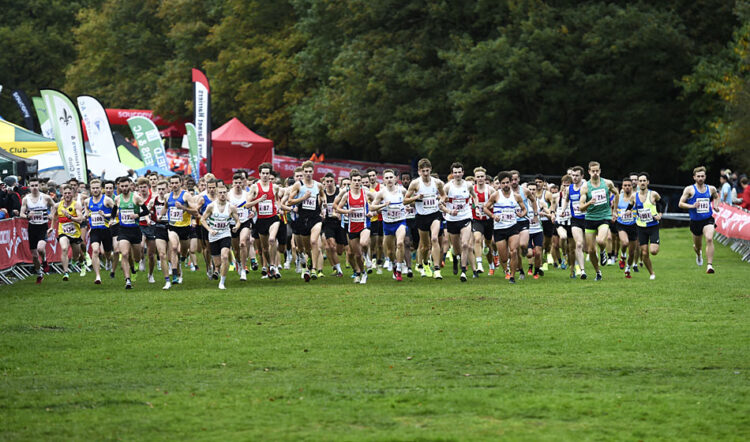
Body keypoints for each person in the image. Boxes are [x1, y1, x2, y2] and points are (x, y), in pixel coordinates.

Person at [404, 158, 446, 280]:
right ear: (419, 171)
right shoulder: (415, 184)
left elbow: (443, 195)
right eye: (423, 171)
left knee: (434, 238)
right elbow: (405, 200)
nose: (426, 173)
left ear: (431, 170)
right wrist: (416, 197)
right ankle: (423, 263)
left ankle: (437, 269)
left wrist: (441, 201)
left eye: (427, 171)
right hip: (421, 216)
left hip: (434, 214)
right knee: (424, 246)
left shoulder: (437, 182)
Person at [578, 161, 619, 281]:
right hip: (590, 218)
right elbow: (581, 207)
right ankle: (598, 272)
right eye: (593, 171)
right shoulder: (585, 187)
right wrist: (589, 203)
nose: (595, 173)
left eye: (597, 171)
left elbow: (616, 194)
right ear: (589, 172)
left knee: (601, 240)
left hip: (604, 216)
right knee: (590, 250)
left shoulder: (607, 183)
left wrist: (614, 211)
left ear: (600, 171)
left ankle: (603, 252)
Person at [483, 171, 526, 283]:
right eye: (503, 183)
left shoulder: (516, 196)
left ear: (511, 182)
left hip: (513, 227)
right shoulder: (496, 195)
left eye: (507, 182)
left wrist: (522, 214)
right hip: (499, 229)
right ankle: (506, 270)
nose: (506, 185)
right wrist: (493, 216)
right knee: (503, 258)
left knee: (514, 251)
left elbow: (524, 209)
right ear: (500, 184)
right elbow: (485, 208)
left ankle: (512, 276)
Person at [286, 161, 326, 281]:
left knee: (314, 241)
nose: (308, 174)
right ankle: (307, 262)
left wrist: (323, 205)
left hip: (315, 218)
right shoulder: (298, 185)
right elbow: (289, 201)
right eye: (306, 172)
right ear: (303, 172)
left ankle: (313, 269)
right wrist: (303, 198)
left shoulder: (318, 185)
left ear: (313, 172)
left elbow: (323, 196)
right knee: (304, 248)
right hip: (303, 219)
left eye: (310, 171)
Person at [246, 162, 285, 279]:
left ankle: (274, 266)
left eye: (267, 173)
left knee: (272, 240)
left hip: (273, 218)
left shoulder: (275, 187)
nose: (265, 175)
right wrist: (258, 200)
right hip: (261, 220)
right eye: (263, 173)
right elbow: (247, 204)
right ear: (259, 174)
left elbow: (281, 197)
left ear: (270, 174)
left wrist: (280, 206)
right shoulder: (254, 187)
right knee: (264, 249)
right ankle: (269, 265)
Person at [679, 166, 720, 273]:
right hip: (695, 222)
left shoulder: (711, 189)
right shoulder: (689, 189)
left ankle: (709, 266)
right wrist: (692, 206)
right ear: (694, 177)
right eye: (698, 176)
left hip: (707, 219)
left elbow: (716, 196)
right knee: (698, 246)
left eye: (702, 176)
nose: (700, 178)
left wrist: (716, 205)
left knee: (709, 239)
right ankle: (698, 254)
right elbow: (680, 204)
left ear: (705, 177)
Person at [334, 169, 373, 284]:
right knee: (356, 255)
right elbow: (338, 208)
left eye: (358, 181)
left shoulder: (365, 193)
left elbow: (376, 200)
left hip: (364, 224)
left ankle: (367, 257)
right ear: (351, 181)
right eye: (354, 180)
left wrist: (372, 212)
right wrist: (346, 212)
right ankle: (363, 273)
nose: (356, 182)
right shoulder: (346, 194)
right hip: (351, 227)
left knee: (364, 243)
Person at [441, 162, 477, 282]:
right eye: (455, 172)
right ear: (452, 174)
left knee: (465, 244)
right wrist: (449, 211)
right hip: (452, 220)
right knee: (456, 249)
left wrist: (475, 205)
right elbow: (440, 204)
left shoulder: (468, 185)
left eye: (459, 172)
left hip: (466, 216)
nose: (457, 174)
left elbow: (474, 196)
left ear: (463, 172)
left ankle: (463, 271)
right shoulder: (447, 187)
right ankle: (456, 258)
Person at [370, 169, 408, 281]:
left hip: (400, 221)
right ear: (383, 180)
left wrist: (409, 206)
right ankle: (394, 265)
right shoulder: (381, 193)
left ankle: (400, 269)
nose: (389, 179)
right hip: (387, 224)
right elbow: (372, 207)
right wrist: (382, 206)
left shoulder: (402, 190)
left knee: (400, 243)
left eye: (391, 177)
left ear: (395, 178)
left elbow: (409, 200)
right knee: (390, 251)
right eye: (386, 178)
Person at [201, 183, 241, 289]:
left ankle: (222, 282)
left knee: (224, 257)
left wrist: (236, 227)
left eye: (224, 192)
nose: (222, 194)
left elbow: (238, 221)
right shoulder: (211, 206)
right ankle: (216, 270)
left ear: (227, 193)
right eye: (220, 193)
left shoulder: (231, 207)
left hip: (225, 234)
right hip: (213, 236)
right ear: (217, 194)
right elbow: (202, 219)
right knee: (217, 263)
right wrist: (210, 229)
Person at [163, 175, 199, 284]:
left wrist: (183, 208)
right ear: (170, 184)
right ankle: (174, 274)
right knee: (174, 248)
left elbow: (196, 212)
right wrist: (159, 216)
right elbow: (165, 207)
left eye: (176, 183)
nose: (174, 185)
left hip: (185, 228)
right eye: (172, 183)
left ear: (180, 183)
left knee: (183, 252)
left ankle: (180, 263)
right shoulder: (167, 196)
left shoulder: (186, 195)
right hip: (172, 226)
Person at [19, 177, 55, 283]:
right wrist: (27, 215)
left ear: (39, 186)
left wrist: (51, 214)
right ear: (29, 186)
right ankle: (39, 274)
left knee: (40, 248)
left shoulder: (45, 197)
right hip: (32, 228)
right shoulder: (26, 199)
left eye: (36, 185)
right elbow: (21, 214)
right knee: (34, 255)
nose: (34, 188)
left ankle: (44, 260)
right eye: (32, 186)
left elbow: (54, 205)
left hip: (43, 227)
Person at [114, 177, 147, 289]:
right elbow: (114, 210)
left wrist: (137, 215)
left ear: (130, 185)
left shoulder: (136, 198)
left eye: (126, 186)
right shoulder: (117, 199)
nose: (124, 188)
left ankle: (135, 265)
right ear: (119, 186)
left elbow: (146, 211)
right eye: (122, 186)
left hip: (135, 230)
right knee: (124, 254)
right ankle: (127, 280)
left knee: (137, 256)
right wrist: (112, 219)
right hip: (123, 230)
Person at [82, 179, 115, 284]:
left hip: (106, 230)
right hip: (95, 230)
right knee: (95, 251)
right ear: (90, 190)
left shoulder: (107, 200)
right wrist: (86, 215)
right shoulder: (87, 201)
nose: (95, 190)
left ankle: (109, 260)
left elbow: (117, 212)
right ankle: (97, 276)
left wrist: (107, 216)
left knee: (107, 253)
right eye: (93, 188)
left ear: (101, 189)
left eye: (97, 188)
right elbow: (87, 212)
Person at [50, 185, 84, 281]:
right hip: (63, 232)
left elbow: (80, 219)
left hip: (75, 233)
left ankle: (76, 260)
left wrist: (70, 217)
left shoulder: (76, 205)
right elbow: (54, 217)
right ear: (62, 194)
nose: (67, 195)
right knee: (64, 248)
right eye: (65, 193)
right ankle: (65, 272)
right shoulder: (58, 205)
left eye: (69, 193)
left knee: (76, 256)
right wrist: (52, 227)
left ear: (72, 194)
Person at [634, 172, 663, 280]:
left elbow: (662, 203)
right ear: (637, 183)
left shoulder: (653, 194)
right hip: (641, 227)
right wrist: (628, 211)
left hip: (653, 226)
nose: (642, 183)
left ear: (647, 182)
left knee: (653, 251)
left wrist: (659, 214)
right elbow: (630, 206)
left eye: (644, 181)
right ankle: (651, 273)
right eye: (640, 181)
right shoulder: (634, 196)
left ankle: (651, 271)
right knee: (645, 253)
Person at [147, 180, 173, 290]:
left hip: (172, 228)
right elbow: (146, 213)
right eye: (159, 189)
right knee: (162, 254)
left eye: (163, 189)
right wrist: (148, 219)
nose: (161, 191)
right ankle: (167, 281)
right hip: (159, 228)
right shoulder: (153, 201)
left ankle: (177, 272)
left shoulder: (172, 200)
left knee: (172, 255)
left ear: (168, 189)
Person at [322, 172, 347, 277]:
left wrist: (338, 212)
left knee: (340, 250)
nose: (329, 183)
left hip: (339, 222)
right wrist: (322, 208)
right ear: (324, 182)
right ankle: (339, 270)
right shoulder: (322, 194)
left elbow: (345, 204)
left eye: (331, 181)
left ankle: (337, 264)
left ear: (334, 181)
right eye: (327, 181)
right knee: (331, 246)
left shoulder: (339, 192)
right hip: (328, 223)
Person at [471, 167, 494, 275]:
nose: (480, 178)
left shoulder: (491, 190)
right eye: (478, 177)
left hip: (488, 220)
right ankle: (479, 264)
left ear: (485, 177)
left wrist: (488, 206)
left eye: (482, 176)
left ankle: (491, 264)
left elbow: (498, 202)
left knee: (488, 244)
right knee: (477, 239)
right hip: (476, 219)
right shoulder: (471, 189)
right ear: (475, 178)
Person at [614, 177, 638, 278]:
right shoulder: (618, 197)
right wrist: (614, 214)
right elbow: (613, 209)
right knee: (625, 242)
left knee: (632, 252)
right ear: (622, 187)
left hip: (633, 225)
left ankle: (628, 269)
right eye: (625, 185)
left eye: (629, 185)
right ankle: (623, 255)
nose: (627, 187)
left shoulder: (636, 197)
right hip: (621, 224)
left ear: (632, 187)